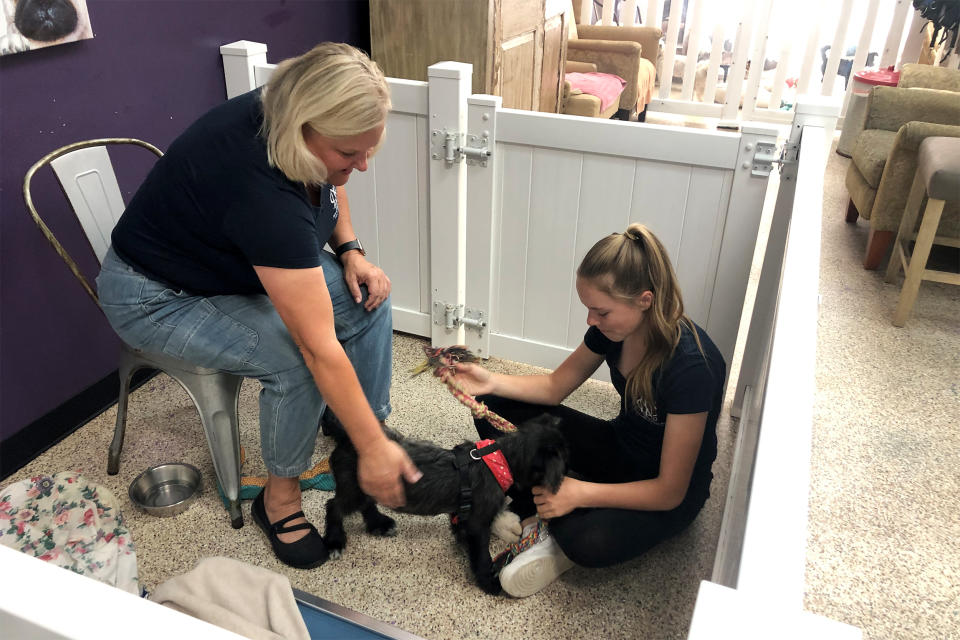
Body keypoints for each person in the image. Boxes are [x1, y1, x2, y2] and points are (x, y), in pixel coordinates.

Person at [95, 42, 421, 569]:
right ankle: (280, 500)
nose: (361, 166)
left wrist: (352, 251)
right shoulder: (260, 189)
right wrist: (382, 457)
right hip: (156, 296)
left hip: (232, 263)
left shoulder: (295, 108)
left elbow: (329, 184)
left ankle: (365, 432)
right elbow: (317, 349)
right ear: (304, 130)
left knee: (368, 298)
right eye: (350, 153)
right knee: (293, 361)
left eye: (369, 151)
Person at [452, 223, 726, 598]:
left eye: (600, 311)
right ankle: (551, 511)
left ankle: (555, 522)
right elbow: (553, 387)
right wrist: (489, 381)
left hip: (667, 489)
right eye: (588, 309)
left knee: (588, 542)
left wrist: (580, 493)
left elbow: (669, 490)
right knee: (490, 407)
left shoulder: (693, 367)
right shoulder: (613, 331)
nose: (590, 321)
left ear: (644, 300)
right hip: (621, 447)